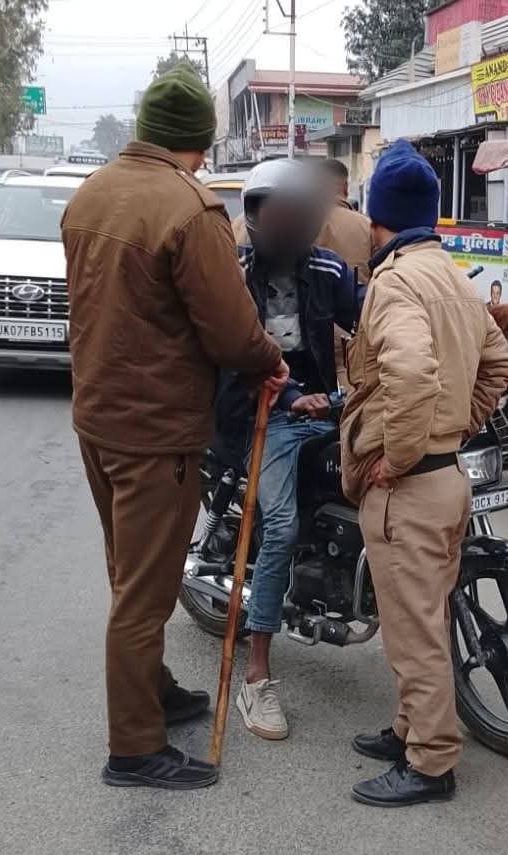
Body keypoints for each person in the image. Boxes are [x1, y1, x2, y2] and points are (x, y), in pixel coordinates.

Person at [61, 64, 287, 790]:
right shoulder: (190, 209)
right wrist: (267, 359)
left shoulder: (92, 192)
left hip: (98, 418)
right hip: (155, 430)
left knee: (131, 573)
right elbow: (229, 329)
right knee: (144, 592)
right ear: (199, 140)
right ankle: (135, 748)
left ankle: (152, 690)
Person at [340, 140, 508, 807]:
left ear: (377, 218)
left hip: (409, 487)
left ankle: (431, 761)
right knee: (423, 618)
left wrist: (402, 453)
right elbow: (498, 363)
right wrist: (459, 427)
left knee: (414, 632)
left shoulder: (395, 281)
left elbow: (411, 373)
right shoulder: (452, 276)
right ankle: (409, 728)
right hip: (445, 479)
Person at [215, 159, 359, 742]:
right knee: (280, 526)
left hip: (320, 405)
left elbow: (370, 320)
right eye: (274, 214)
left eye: (295, 214)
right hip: (257, 410)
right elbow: (230, 347)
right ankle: (256, 675)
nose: (285, 224)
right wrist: (290, 394)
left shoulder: (329, 269)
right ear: (253, 214)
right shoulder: (231, 273)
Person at [315, 158, 372, 390]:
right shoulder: (367, 227)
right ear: (346, 188)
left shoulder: (299, 223)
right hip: (355, 332)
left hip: (306, 335)